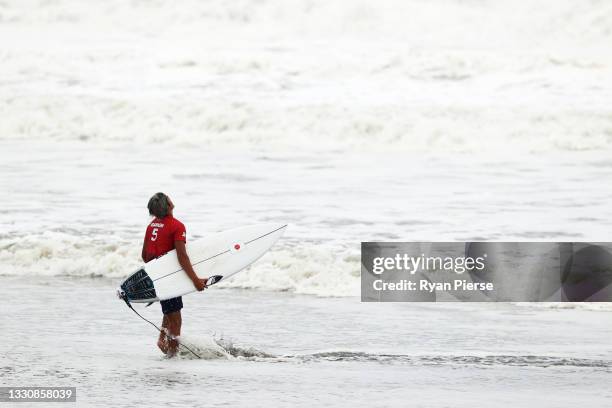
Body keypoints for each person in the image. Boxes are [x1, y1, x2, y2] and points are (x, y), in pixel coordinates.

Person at [141, 192, 207, 356]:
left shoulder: (151, 226)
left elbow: (145, 255)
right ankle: (172, 355)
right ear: (169, 205)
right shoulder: (177, 226)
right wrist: (195, 280)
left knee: (169, 310)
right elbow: (182, 256)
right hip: (169, 277)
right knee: (175, 317)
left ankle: (162, 338)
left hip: (157, 276)